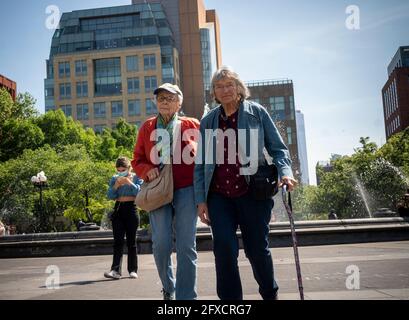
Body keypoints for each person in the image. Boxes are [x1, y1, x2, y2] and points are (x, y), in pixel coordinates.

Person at [194, 66, 297, 300]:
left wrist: (285, 172)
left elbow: (278, 149)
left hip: (253, 193)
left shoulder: (256, 113)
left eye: (229, 84)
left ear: (239, 89)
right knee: (224, 249)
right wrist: (200, 200)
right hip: (219, 195)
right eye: (219, 87)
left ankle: (270, 294)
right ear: (214, 93)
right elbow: (200, 164)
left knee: (257, 250)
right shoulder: (209, 121)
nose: (225, 90)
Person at [132, 83, 200, 300]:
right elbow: (137, 159)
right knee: (161, 244)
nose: (164, 101)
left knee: (186, 245)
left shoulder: (193, 125)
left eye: (169, 98)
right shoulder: (147, 127)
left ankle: (186, 296)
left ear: (179, 102)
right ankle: (169, 287)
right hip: (159, 189)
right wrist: (146, 170)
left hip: (187, 189)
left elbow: (204, 158)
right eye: (160, 98)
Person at [105, 156, 143, 280]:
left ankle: (133, 270)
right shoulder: (114, 178)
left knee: (132, 241)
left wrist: (129, 182)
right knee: (118, 241)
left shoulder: (137, 177)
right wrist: (116, 185)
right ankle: (115, 270)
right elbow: (110, 195)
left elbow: (139, 193)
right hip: (118, 209)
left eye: (123, 170)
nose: (121, 172)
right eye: (119, 170)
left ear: (128, 168)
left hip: (132, 208)